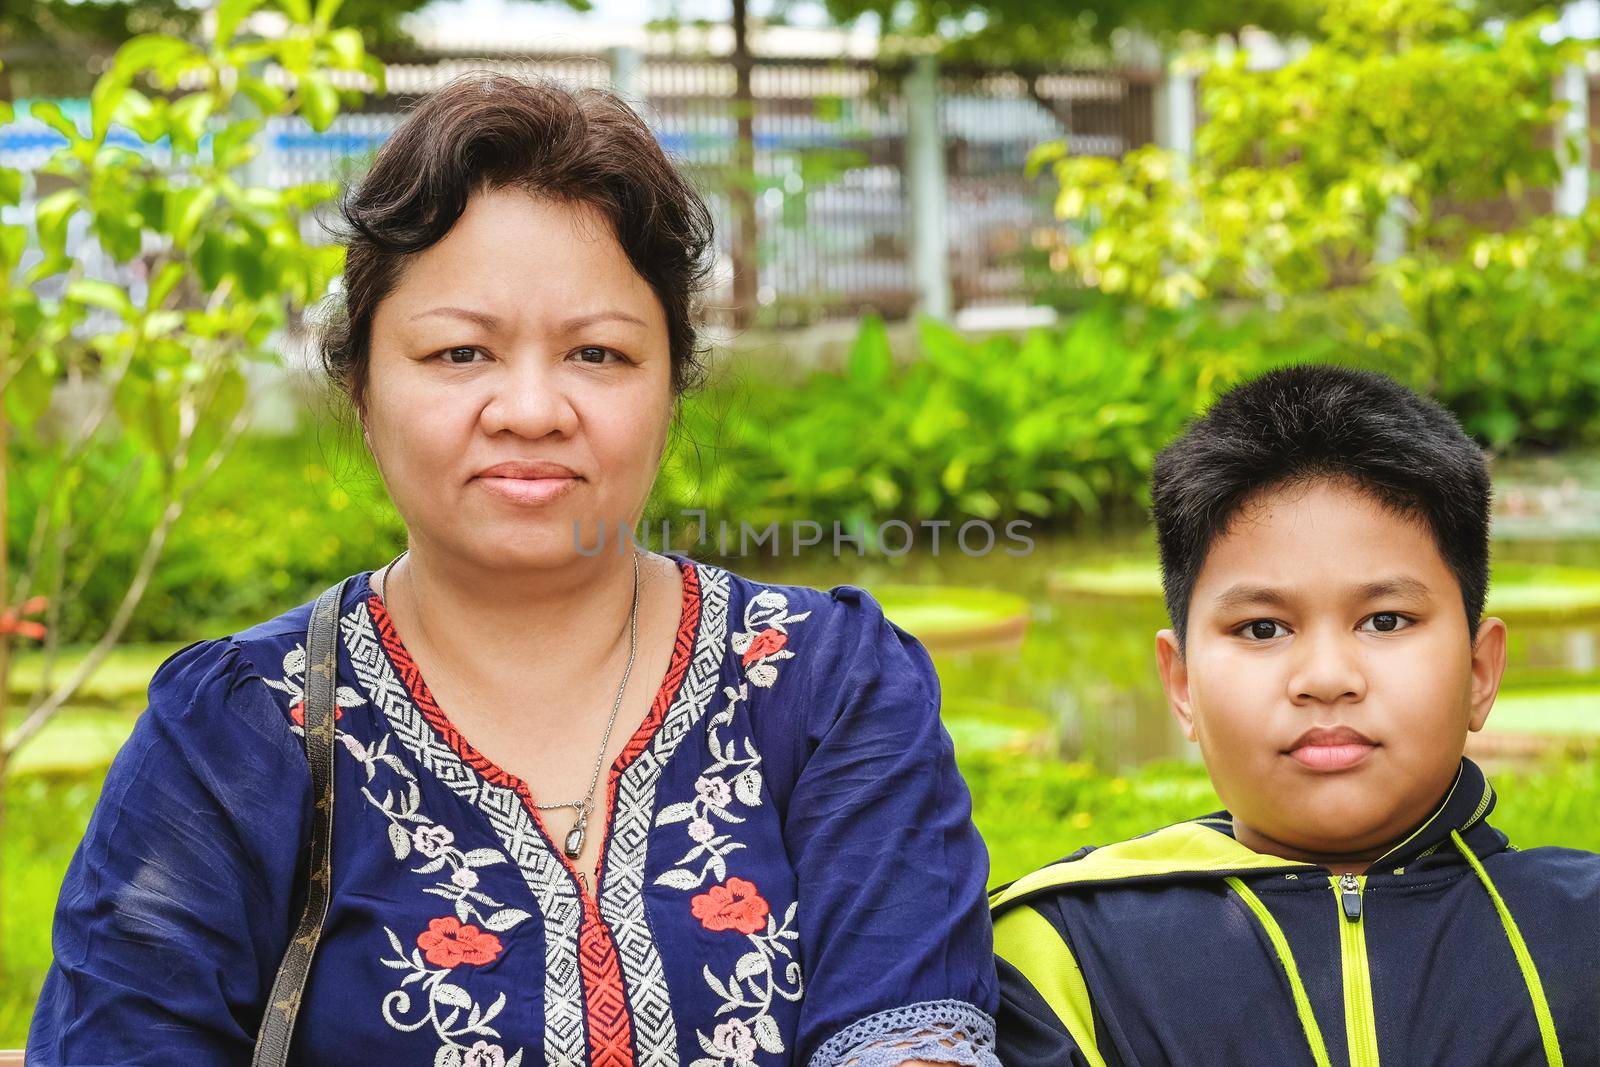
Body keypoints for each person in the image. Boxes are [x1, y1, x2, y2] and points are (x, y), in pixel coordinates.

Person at [29, 73, 999, 1067]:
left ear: (671, 388)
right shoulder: (234, 730)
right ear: (362, 385)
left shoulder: (827, 685)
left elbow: (911, 1035)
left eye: (597, 352)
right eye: (459, 353)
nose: (531, 408)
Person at [992, 365, 1600, 1066]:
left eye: (1386, 618)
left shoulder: (1581, 934)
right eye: (1261, 629)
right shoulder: (1060, 957)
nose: (1325, 679)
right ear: (1182, 682)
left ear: (1479, 671)